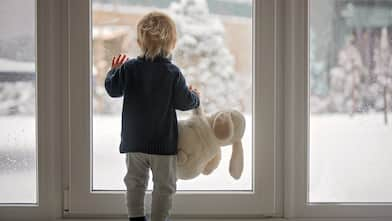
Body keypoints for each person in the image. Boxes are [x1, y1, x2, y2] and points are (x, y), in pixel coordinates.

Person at [104, 11, 200, 221]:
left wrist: (114, 71)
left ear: (140, 41)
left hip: (134, 142)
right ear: (172, 43)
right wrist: (195, 97)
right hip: (162, 144)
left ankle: (135, 217)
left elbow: (113, 89)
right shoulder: (172, 73)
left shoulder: (129, 68)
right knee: (164, 187)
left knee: (135, 182)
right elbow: (183, 102)